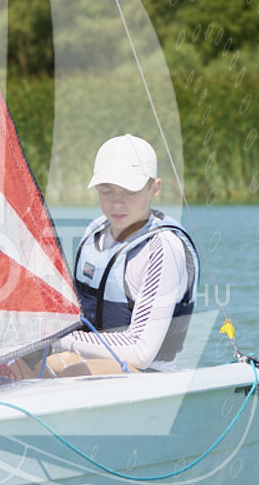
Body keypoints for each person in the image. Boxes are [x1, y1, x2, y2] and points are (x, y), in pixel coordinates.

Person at [47, 134, 200, 375]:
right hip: (88, 361)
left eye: (129, 191)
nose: (117, 203)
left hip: (148, 374)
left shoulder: (163, 248)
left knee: (67, 370)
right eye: (106, 191)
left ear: (154, 188)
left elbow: (141, 351)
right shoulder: (94, 232)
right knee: (16, 363)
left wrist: (60, 338)